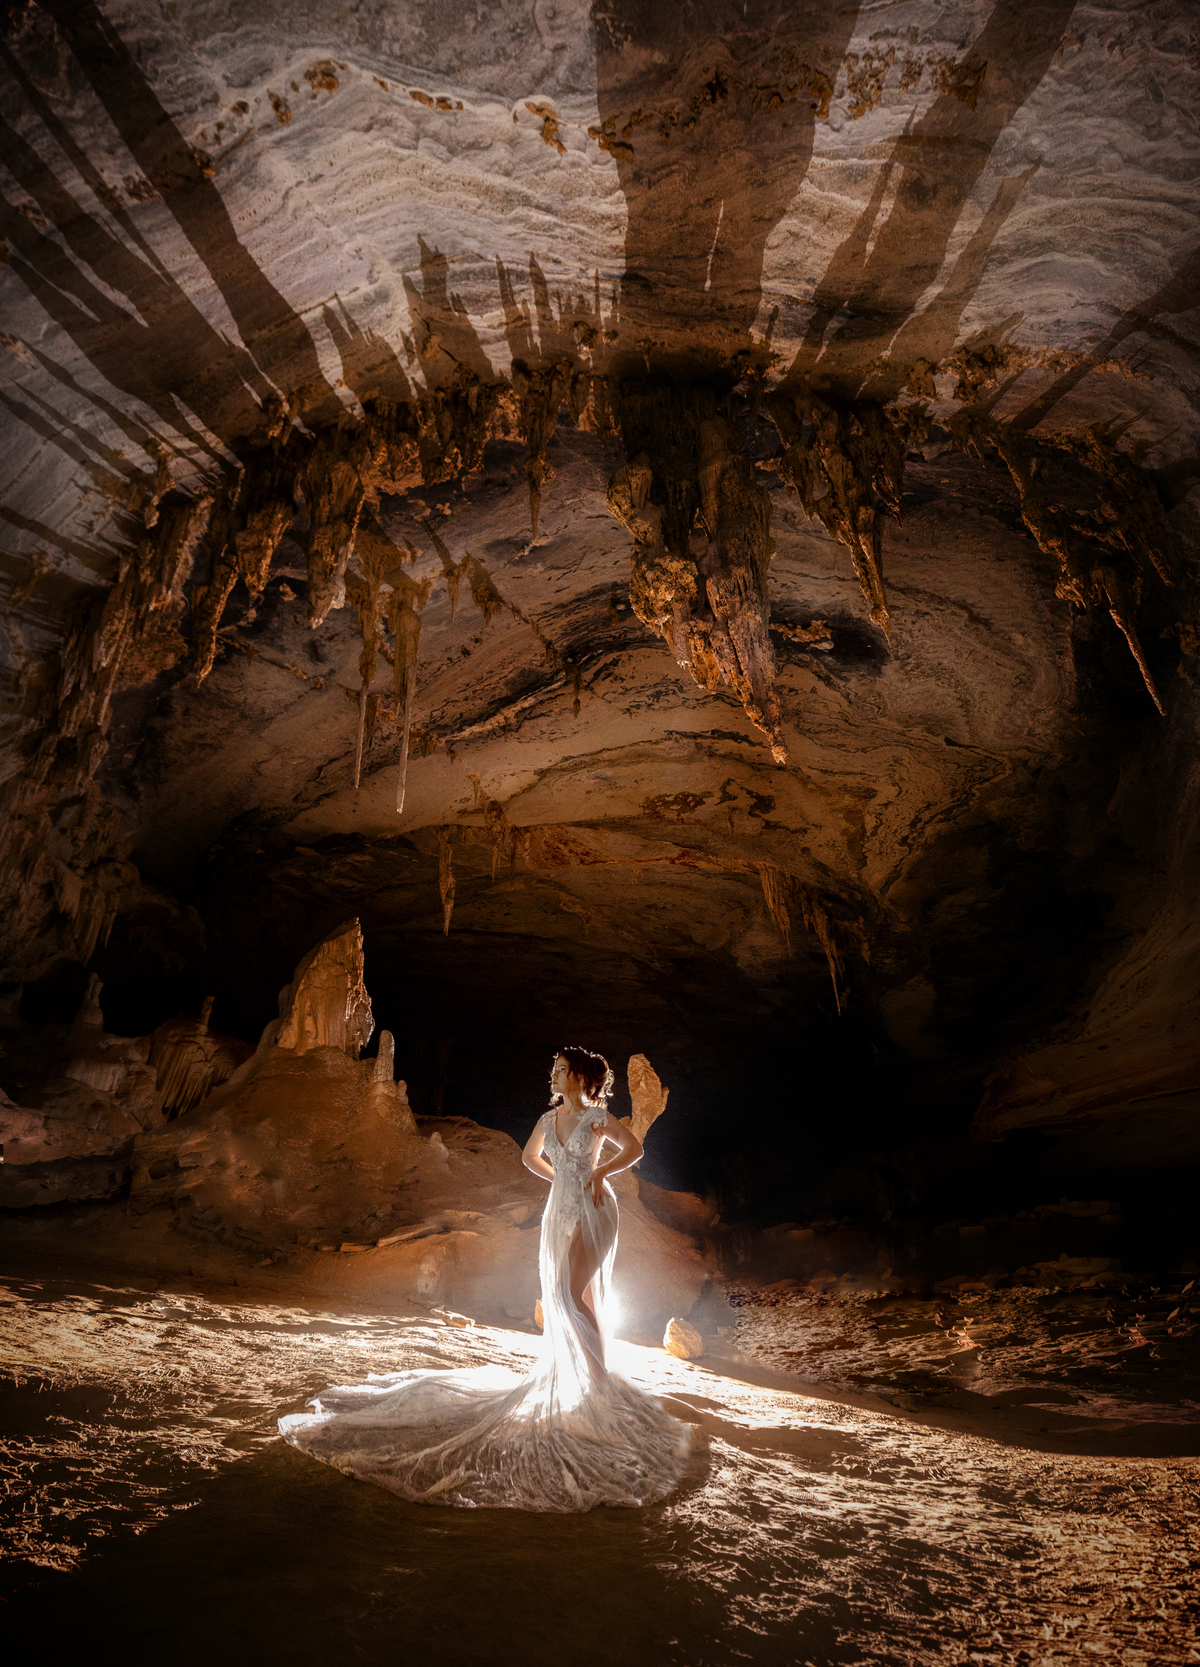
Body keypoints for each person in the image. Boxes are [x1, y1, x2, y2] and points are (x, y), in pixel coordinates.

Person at [278, 1047, 693, 1511]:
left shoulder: (597, 1119)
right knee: (577, 1297)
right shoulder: (545, 1120)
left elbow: (634, 1149)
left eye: (558, 1069)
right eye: (553, 1068)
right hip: (562, 1209)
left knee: (570, 1293)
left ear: (577, 1076)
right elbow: (529, 1158)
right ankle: (595, 1386)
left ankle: (599, 1390)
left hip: (596, 1208)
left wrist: (597, 1171)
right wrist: (559, 1178)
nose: (551, 1074)